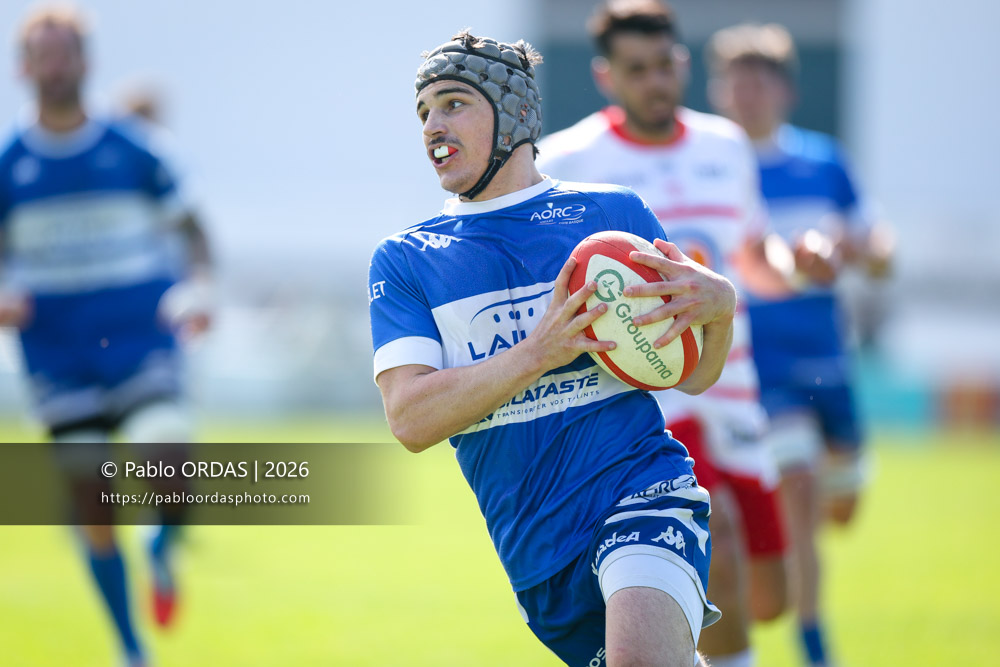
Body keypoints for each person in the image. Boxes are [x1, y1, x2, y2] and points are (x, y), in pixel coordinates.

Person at [370, 29, 739, 666]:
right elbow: (410, 418)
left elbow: (692, 375)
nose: (433, 123)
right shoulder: (406, 260)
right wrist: (537, 351)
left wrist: (722, 309)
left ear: (514, 114)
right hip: (539, 556)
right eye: (423, 111)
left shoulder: (612, 218)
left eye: (455, 102)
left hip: (643, 492)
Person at [535, 3, 817, 666]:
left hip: (734, 386)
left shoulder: (725, 145)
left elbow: (753, 257)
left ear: (683, 62)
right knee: (711, 521)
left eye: (666, 65)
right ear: (607, 76)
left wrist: (794, 266)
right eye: (638, 70)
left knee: (765, 594)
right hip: (653, 398)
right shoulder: (572, 160)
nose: (656, 82)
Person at [0, 7, 213, 666]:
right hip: (58, 355)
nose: (55, 65)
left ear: (86, 63)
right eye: (43, 53)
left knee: (169, 468)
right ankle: (129, 645)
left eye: (66, 52)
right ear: (23, 66)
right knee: (93, 505)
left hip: (140, 340)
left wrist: (198, 290)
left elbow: (192, 230)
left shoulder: (135, 146)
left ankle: (159, 547)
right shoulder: (10, 163)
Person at [705, 22, 893, 667]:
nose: (747, 93)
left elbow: (877, 249)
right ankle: (815, 644)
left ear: (784, 90)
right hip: (761, 367)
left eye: (759, 81)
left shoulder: (824, 161)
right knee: (800, 485)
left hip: (830, 364)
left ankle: (802, 593)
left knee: (839, 507)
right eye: (736, 81)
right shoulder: (713, 165)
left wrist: (864, 250)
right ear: (719, 90)